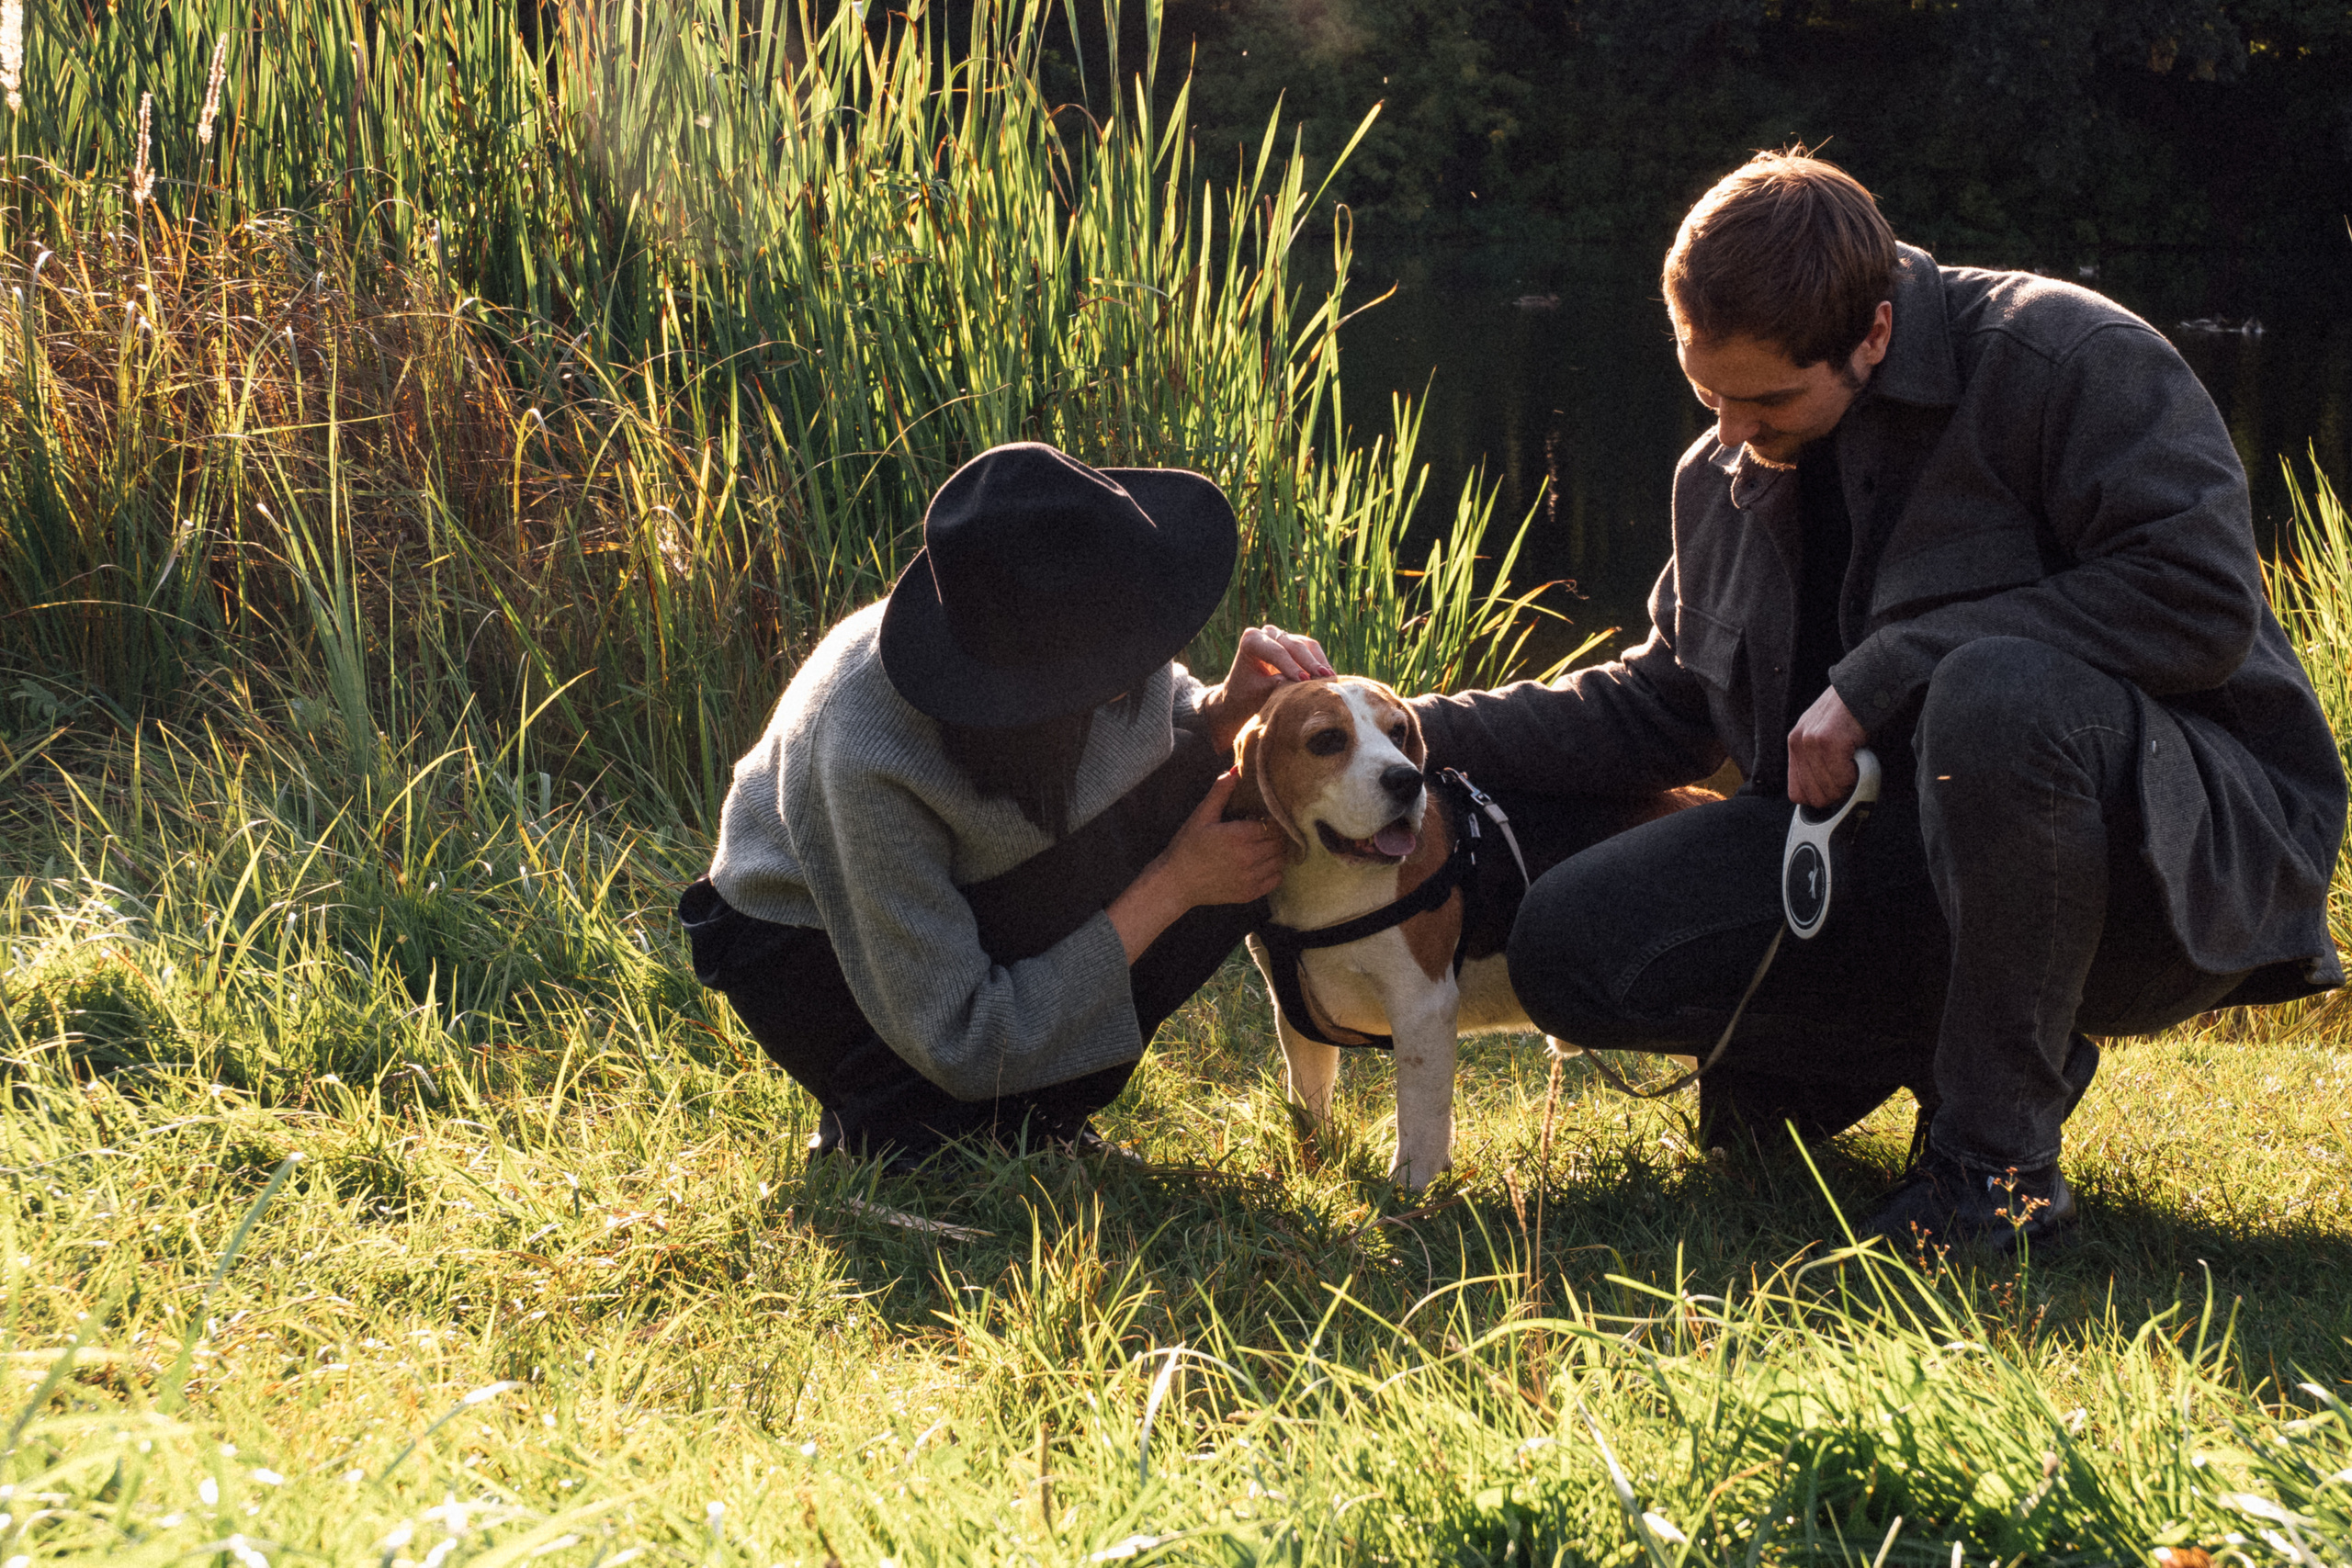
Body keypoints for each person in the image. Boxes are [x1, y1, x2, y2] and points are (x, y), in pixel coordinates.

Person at [1410, 152, 2346, 1249]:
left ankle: (1995, 1170)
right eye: (1705, 390)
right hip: (1892, 855)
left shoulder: (2069, 359)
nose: (1730, 434)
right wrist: (1403, 723)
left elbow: (2198, 601)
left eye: (1766, 399)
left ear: (1875, 334)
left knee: (1995, 693)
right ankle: (1921, 1043)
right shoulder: (1719, 467)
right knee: (1571, 946)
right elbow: (1656, 707)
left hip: (2175, 866)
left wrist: (1887, 669)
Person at [680, 442, 1331, 1169]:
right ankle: (909, 1121)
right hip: (806, 947)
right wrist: (1174, 884)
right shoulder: (864, 755)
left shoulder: (1066, 615)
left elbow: (1146, 724)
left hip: (973, 876)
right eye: (1112, 673)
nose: (1137, 675)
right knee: (940, 1143)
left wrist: (1221, 713)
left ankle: (1037, 1116)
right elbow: (964, 1036)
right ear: (1027, 695)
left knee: (1240, 816)